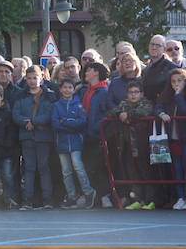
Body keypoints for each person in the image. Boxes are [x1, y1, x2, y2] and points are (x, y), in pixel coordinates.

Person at [12, 65, 56, 209]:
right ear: (26, 78)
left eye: (35, 78)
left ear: (41, 77)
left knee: (43, 168)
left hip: (43, 137)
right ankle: (27, 200)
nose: (32, 81)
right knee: (29, 168)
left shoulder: (49, 95)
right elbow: (16, 114)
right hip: (26, 136)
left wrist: (34, 122)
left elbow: (49, 114)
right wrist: (26, 123)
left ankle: (47, 200)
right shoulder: (21, 96)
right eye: (29, 78)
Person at [106, 80, 154, 209]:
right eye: (130, 92)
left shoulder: (146, 103)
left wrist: (129, 115)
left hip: (143, 144)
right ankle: (137, 199)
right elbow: (111, 112)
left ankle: (150, 200)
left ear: (141, 93)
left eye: (136, 92)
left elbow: (145, 111)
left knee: (146, 172)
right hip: (127, 145)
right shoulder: (124, 104)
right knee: (133, 173)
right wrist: (120, 114)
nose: (133, 95)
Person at [51, 78, 96, 209]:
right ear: (60, 89)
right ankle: (72, 195)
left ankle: (88, 191)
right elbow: (55, 124)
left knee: (78, 166)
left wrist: (64, 121)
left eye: (70, 87)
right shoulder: (56, 106)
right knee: (66, 171)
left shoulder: (78, 104)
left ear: (73, 89)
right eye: (64, 87)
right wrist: (71, 123)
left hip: (76, 141)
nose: (67, 90)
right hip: (62, 142)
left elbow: (81, 123)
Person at [156, 69, 186, 210]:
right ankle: (180, 197)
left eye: (179, 81)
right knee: (177, 168)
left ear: (185, 81)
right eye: (173, 81)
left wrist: (179, 96)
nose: (176, 84)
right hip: (172, 138)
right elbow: (158, 107)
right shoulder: (167, 95)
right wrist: (162, 114)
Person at [79, 61, 112, 207]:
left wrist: (97, 127)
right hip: (86, 135)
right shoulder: (88, 91)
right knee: (90, 166)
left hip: (96, 135)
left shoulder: (103, 91)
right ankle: (99, 195)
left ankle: (105, 195)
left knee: (99, 166)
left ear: (97, 72)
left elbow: (107, 112)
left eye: (89, 70)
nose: (86, 73)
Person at [142, 34, 176, 101]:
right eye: (152, 44)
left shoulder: (172, 68)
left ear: (164, 49)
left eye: (158, 45)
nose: (154, 47)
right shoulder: (146, 69)